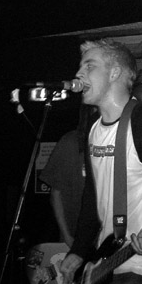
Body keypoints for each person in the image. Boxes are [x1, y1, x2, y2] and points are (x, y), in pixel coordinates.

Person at [59, 38, 142, 284]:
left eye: (89, 66)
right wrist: (79, 250)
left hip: (141, 265)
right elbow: (93, 197)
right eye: (80, 67)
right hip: (109, 259)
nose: (79, 74)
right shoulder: (93, 128)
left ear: (114, 72)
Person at [39, 103, 93, 248]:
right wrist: (66, 236)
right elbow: (56, 194)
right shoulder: (70, 142)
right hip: (73, 236)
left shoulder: (117, 141)